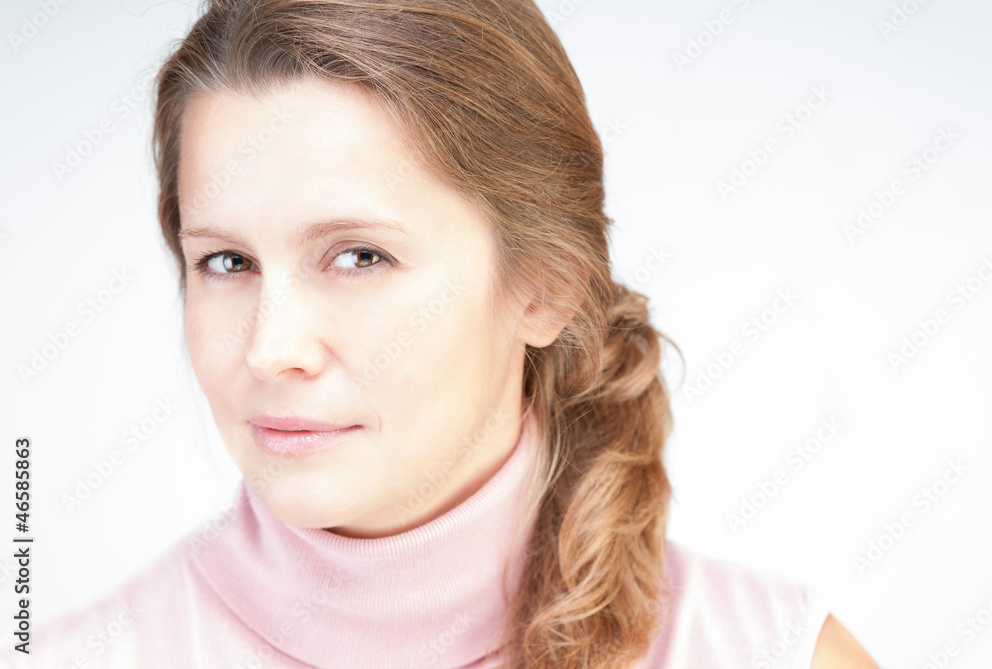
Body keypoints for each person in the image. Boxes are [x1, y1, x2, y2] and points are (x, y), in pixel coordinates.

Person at [9, 0, 879, 667]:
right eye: (227, 262)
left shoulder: (773, 652)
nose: (270, 350)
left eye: (358, 255)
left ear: (545, 285)